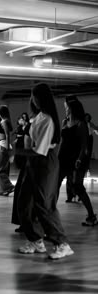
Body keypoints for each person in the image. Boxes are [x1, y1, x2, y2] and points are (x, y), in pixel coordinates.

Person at [17, 83, 74, 260]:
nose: (32, 99)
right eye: (31, 96)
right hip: (33, 163)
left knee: (44, 205)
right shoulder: (39, 116)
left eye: (34, 96)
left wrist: (15, 151)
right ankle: (36, 240)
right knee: (23, 203)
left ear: (42, 98)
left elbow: (39, 150)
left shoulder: (48, 119)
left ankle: (62, 244)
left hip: (44, 163)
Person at [58, 97, 97, 226]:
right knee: (55, 185)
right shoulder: (65, 122)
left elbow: (84, 146)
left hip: (75, 160)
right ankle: (48, 214)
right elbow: (62, 142)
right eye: (65, 108)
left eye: (67, 108)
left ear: (73, 109)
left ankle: (91, 216)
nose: (66, 110)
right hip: (63, 159)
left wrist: (79, 159)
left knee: (78, 187)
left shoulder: (81, 124)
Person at [11, 112, 31, 233]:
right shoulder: (29, 126)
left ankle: (28, 223)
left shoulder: (32, 126)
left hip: (32, 163)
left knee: (24, 193)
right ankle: (25, 222)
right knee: (21, 192)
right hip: (28, 163)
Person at [0, 105, 14, 196]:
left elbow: (7, 135)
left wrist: (7, 147)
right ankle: (1, 190)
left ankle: (9, 186)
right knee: (3, 169)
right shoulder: (5, 121)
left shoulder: (4, 121)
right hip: (2, 144)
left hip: (3, 146)